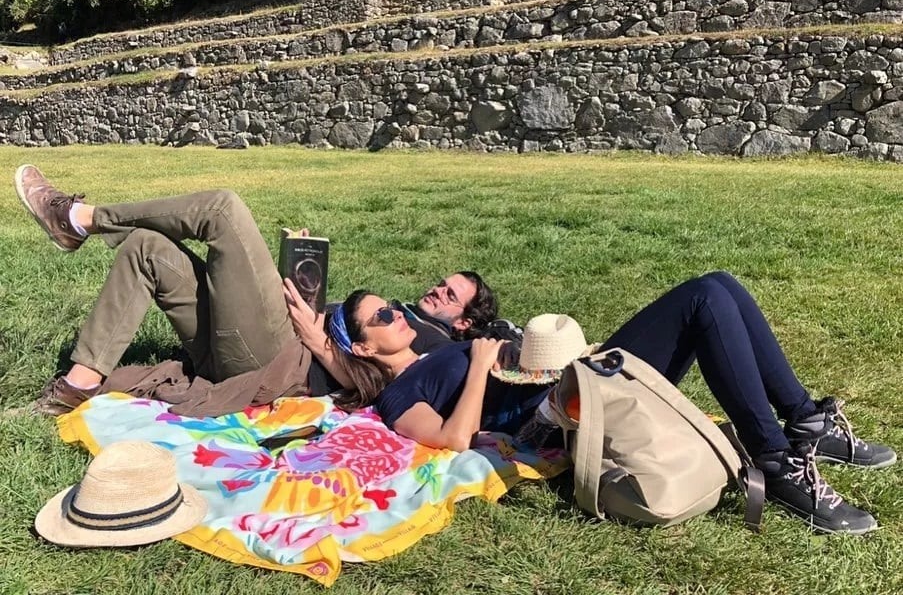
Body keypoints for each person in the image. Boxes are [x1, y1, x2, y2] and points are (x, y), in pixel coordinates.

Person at [322, 275, 896, 535]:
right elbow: (449, 439)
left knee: (718, 287)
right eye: (382, 316)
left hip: (571, 378)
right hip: (561, 418)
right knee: (701, 302)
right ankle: (775, 459)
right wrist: (476, 369)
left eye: (393, 306)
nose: (399, 314)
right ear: (366, 346)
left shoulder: (436, 342)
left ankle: (806, 422)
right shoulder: (399, 394)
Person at [14, 164, 500, 415]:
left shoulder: (438, 345)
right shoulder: (411, 318)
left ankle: (78, 219)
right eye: (442, 282)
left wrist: (324, 349)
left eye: (451, 296)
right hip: (257, 341)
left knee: (222, 211)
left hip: (280, 358)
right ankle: (77, 385)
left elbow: (395, 388)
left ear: (465, 322)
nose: (435, 292)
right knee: (147, 248)